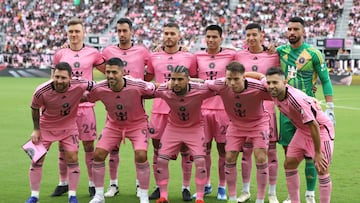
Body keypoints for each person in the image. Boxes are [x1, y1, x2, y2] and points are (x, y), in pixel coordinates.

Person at [276, 17, 335, 203]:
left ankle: (310, 194)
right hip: (287, 110)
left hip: (307, 110)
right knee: (289, 154)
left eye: (296, 29)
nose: (292, 32)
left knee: (312, 154)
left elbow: (325, 80)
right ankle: (292, 195)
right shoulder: (280, 51)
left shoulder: (314, 53)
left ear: (303, 32)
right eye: (289, 29)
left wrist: (330, 106)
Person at [51, 17, 105, 198]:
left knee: (89, 146)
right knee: (62, 146)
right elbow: (53, 81)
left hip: (85, 106)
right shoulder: (60, 54)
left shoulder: (93, 53)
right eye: (71, 32)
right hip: (65, 108)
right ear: (67, 34)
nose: (74, 34)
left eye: (77, 31)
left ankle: (91, 183)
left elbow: (110, 71)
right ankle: (63, 182)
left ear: (83, 33)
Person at [87, 57, 154, 203]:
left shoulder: (136, 84)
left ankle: (143, 195)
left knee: (141, 155)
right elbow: (86, 98)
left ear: (123, 72)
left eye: (114, 72)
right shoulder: (99, 88)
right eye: (108, 72)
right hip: (114, 126)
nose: (110, 75)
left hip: (137, 124)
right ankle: (99, 195)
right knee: (98, 154)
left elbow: (156, 89)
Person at [25, 62, 94, 203]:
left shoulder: (80, 83)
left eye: (63, 78)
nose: (59, 81)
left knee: (73, 158)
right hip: (45, 127)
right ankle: (34, 196)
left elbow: (97, 87)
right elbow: (34, 108)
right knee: (36, 160)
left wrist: (85, 97)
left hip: (69, 127)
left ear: (70, 78)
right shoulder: (41, 90)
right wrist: (36, 129)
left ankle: (72, 196)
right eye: (57, 77)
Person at [264, 67, 334, 203]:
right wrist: (243, 76)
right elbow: (259, 76)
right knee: (289, 163)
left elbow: (313, 124)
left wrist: (318, 152)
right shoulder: (273, 90)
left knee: (322, 168)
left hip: (321, 130)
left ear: (284, 82)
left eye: (275, 83)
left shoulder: (296, 99)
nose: (271, 86)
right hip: (303, 130)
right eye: (269, 82)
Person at [205, 61, 272, 203]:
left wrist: (263, 78)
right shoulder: (221, 85)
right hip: (236, 125)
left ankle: (260, 199)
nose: (232, 83)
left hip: (258, 124)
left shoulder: (258, 87)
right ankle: (233, 197)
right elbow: (202, 84)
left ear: (243, 77)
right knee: (229, 157)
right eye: (229, 79)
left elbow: (281, 92)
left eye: (236, 79)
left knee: (260, 157)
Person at [145, 22, 197, 201]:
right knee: (157, 150)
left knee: (186, 149)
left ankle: (186, 187)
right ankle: (159, 187)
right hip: (159, 109)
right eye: (166, 33)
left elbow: (194, 79)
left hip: (182, 109)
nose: (168, 36)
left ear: (179, 36)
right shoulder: (154, 56)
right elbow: (148, 80)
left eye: (172, 33)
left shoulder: (189, 57)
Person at [101, 17, 151, 197]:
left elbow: (151, 72)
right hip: (114, 109)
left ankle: (140, 185)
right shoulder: (108, 51)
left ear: (132, 32)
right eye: (119, 31)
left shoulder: (142, 52)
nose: (122, 34)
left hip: (136, 110)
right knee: (112, 148)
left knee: (139, 151)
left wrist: (137, 89)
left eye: (125, 31)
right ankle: (113, 185)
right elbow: (101, 68)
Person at [154, 65, 214, 203]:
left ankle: (199, 197)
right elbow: (146, 89)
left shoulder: (199, 90)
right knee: (161, 160)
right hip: (173, 128)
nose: (175, 83)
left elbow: (220, 87)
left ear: (188, 79)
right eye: (173, 79)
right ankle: (163, 196)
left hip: (195, 128)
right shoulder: (165, 90)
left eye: (180, 79)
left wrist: (201, 81)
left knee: (200, 161)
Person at [235, 23, 280, 203]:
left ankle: (272, 192)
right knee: (246, 152)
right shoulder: (238, 55)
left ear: (262, 35)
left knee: (271, 152)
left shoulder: (273, 55)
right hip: (245, 111)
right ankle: (245, 191)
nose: (251, 38)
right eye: (248, 35)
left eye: (255, 34)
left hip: (267, 110)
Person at [193, 24, 236, 200]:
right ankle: (206, 184)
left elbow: (250, 54)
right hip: (202, 109)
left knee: (223, 150)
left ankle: (222, 187)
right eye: (208, 36)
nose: (210, 40)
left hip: (223, 110)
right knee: (203, 151)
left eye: (214, 37)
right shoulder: (197, 56)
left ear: (221, 38)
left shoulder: (231, 55)